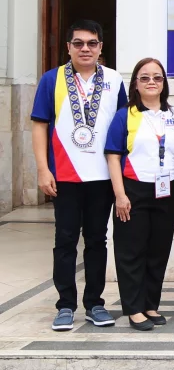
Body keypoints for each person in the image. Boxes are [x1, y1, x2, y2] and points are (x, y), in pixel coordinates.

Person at [31, 20, 127, 331]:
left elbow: (125, 125)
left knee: (97, 240)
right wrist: (43, 170)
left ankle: (95, 303)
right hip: (65, 175)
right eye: (78, 43)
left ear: (101, 47)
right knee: (65, 241)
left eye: (92, 43)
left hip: (102, 176)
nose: (85, 48)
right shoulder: (52, 79)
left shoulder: (114, 80)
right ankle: (65, 305)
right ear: (68, 47)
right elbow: (39, 125)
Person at [105, 57, 174, 331]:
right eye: (145, 78)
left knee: (158, 249)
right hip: (133, 189)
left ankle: (151, 304)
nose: (151, 82)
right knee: (132, 251)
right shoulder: (125, 115)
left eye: (157, 77)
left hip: (167, 188)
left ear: (164, 83)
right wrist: (120, 195)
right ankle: (133, 308)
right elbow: (113, 156)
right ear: (135, 84)